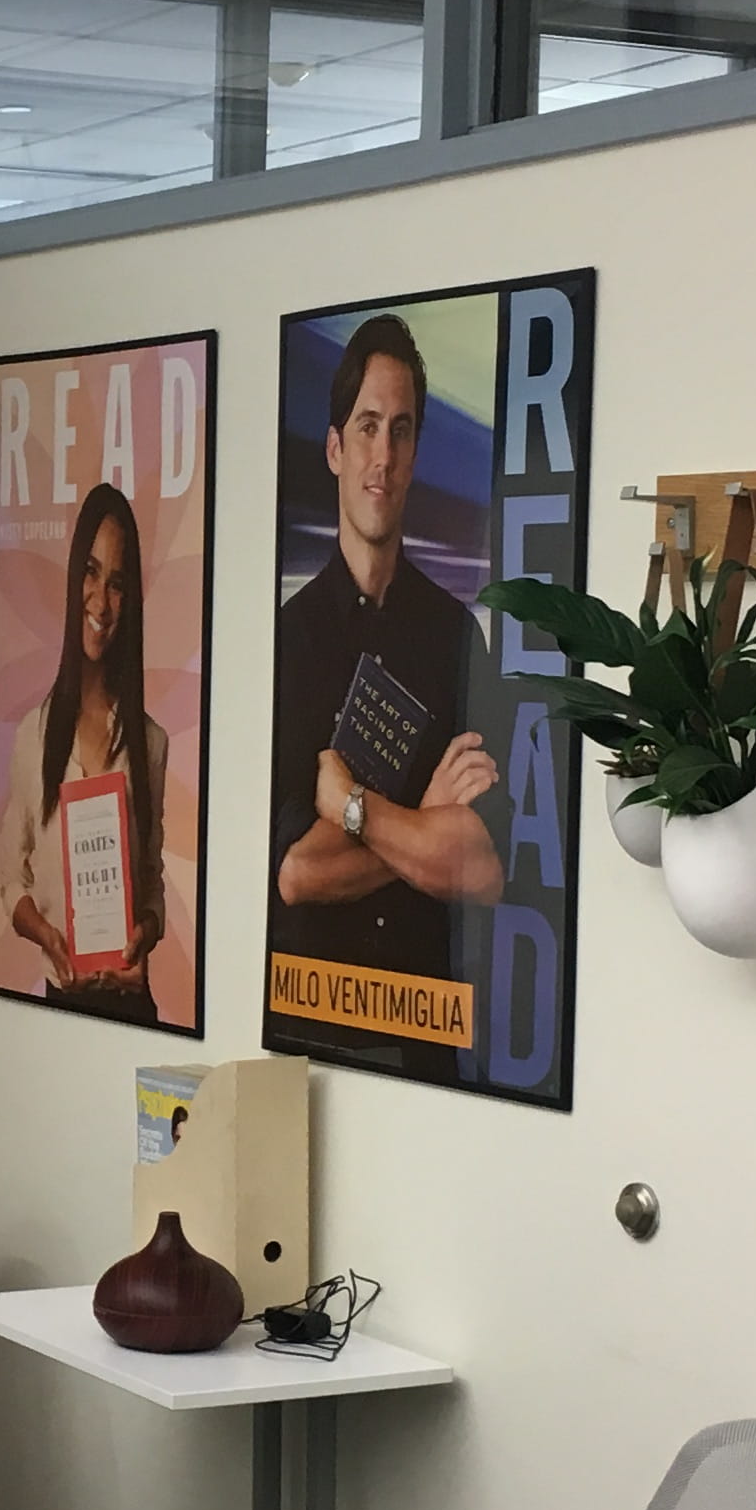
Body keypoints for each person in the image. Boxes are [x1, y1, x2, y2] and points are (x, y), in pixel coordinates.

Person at [269, 314, 501, 1067]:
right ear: (335, 449)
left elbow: (483, 868)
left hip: (429, 1041)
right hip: (311, 1040)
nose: (383, 455)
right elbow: (298, 875)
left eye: (401, 431)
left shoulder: (456, 638)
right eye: (367, 427)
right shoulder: (286, 643)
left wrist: (352, 811)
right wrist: (425, 819)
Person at [0, 481, 170, 1024]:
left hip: (132, 1007)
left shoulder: (152, 745)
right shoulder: (34, 737)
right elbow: (11, 879)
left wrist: (146, 931)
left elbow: (152, 880)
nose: (101, 601)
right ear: (73, 581)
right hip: (59, 1007)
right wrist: (46, 935)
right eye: (91, 573)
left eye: (117, 584)